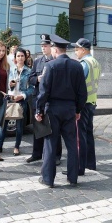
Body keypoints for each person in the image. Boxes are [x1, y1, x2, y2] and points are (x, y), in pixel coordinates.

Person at [35, 34, 87, 188]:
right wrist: (78, 110)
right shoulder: (77, 66)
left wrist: (39, 109)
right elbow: (82, 93)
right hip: (70, 109)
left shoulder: (50, 66)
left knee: (50, 144)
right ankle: (73, 177)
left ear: (56, 50)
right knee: (71, 144)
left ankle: (48, 179)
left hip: (53, 109)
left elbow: (43, 92)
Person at [26, 34, 62, 166]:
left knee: (54, 129)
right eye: (41, 46)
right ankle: (36, 153)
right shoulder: (37, 61)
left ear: (51, 47)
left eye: (45, 46)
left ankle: (56, 155)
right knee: (38, 128)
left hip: (51, 100)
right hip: (38, 98)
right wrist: (37, 79)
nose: (43, 48)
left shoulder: (55, 60)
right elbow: (30, 79)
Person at [68, 38, 101, 175]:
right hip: (92, 102)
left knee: (79, 136)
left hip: (83, 104)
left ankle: (79, 168)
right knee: (88, 135)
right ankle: (90, 164)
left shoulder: (84, 64)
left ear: (83, 49)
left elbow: (78, 86)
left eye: (76, 49)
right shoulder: (95, 62)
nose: (75, 52)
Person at [0, 48, 34, 156]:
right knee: (4, 124)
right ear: (15, 58)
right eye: (18, 56)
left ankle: (16, 147)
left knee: (19, 125)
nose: (20, 58)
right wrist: (10, 85)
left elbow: (32, 88)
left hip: (21, 100)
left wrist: (22, 95)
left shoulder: (29, 71)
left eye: (22, 56)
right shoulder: (11, 70)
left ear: (25, 57)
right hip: (10, 98)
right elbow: (6, 83)